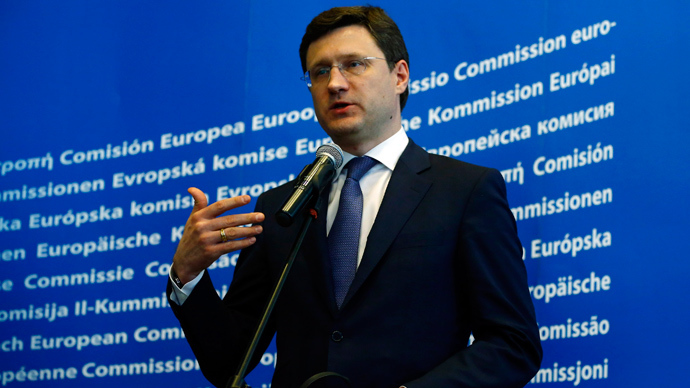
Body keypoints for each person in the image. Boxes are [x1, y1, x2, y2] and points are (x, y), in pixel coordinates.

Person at [168, 6, 542, 388]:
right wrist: (187, 274)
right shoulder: (283, 208)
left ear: (399, 76)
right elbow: (229, 361)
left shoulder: (464, 191)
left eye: (354, 65)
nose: (335, 83)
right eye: (320, 72)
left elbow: (512, 343)